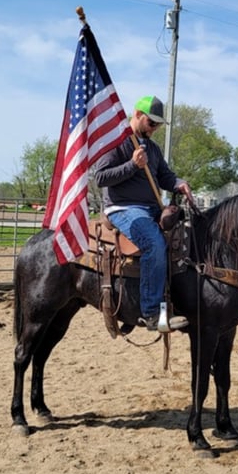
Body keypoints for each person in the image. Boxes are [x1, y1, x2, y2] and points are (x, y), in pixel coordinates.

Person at [94, 95, 193, 332]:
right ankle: (149, 312)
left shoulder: (153, 149)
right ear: (137, 115)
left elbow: (165, 176)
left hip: (152, 209)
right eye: (152, 123)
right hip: (123, 208)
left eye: (158, 125)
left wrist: (179, 183)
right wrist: (132, 165)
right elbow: (101, 177)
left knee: (187, 239)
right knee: (154, 244)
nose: (155, 128)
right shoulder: (115, 142)